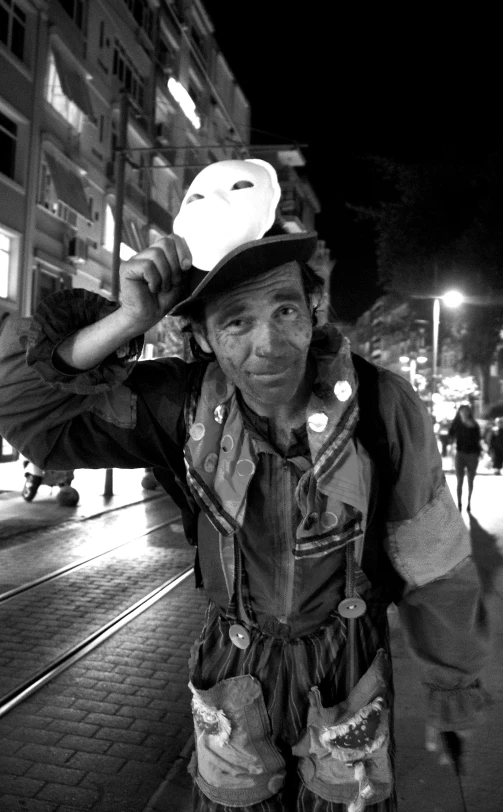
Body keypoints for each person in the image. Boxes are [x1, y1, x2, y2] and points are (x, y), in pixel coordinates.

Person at [0, 160, 490, 811]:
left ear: (312, 309)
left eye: (284, 308)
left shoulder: (379, 403)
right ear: (199, 333)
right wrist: (128, 319)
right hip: (232, 677)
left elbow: (433, 560)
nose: (267, 342)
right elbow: (25, 408)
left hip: (348, 673)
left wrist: (452, 686)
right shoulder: (178, 404)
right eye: (234, 321)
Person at [448, 404, 482, 512]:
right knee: (459, 480)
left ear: (469, 412)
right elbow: (450, 435)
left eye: (466, 411)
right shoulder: (456, 423)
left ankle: (469, 502)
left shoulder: (474, 424)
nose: (464, 413)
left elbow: (477, 439)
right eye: (462, 411)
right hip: (460, 454)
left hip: (472, 454)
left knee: (470, 480)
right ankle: (459, 503)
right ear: (459, 412)